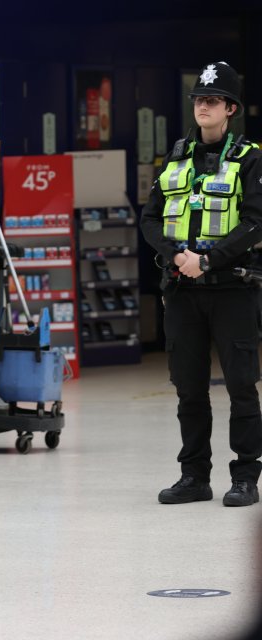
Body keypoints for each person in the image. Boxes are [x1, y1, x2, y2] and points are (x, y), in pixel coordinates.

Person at [140, 61, 262, 507]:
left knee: (241, 386)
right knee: (188, 388)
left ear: (231, 108)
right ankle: (194, 476)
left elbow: (255, 223)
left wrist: (207, 260)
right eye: (198, 100)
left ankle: (246, 475)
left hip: (232, 288)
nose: (203, 107)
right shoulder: (176, 156)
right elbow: (150, 218)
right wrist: (177, 256)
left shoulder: (251, 158)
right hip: (183, 290)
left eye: (212, 100)